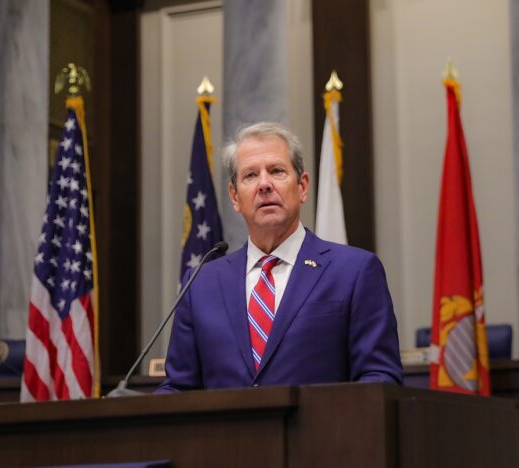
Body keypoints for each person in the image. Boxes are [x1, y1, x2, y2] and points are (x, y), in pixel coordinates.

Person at [156, 122, 402, 391]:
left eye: (276, 171)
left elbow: (379, 378)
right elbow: (178, 389)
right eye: (251, 175)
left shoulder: (354, 272)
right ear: (235, 196)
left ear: (302, 187)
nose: (264, 184)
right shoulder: (199, 285)